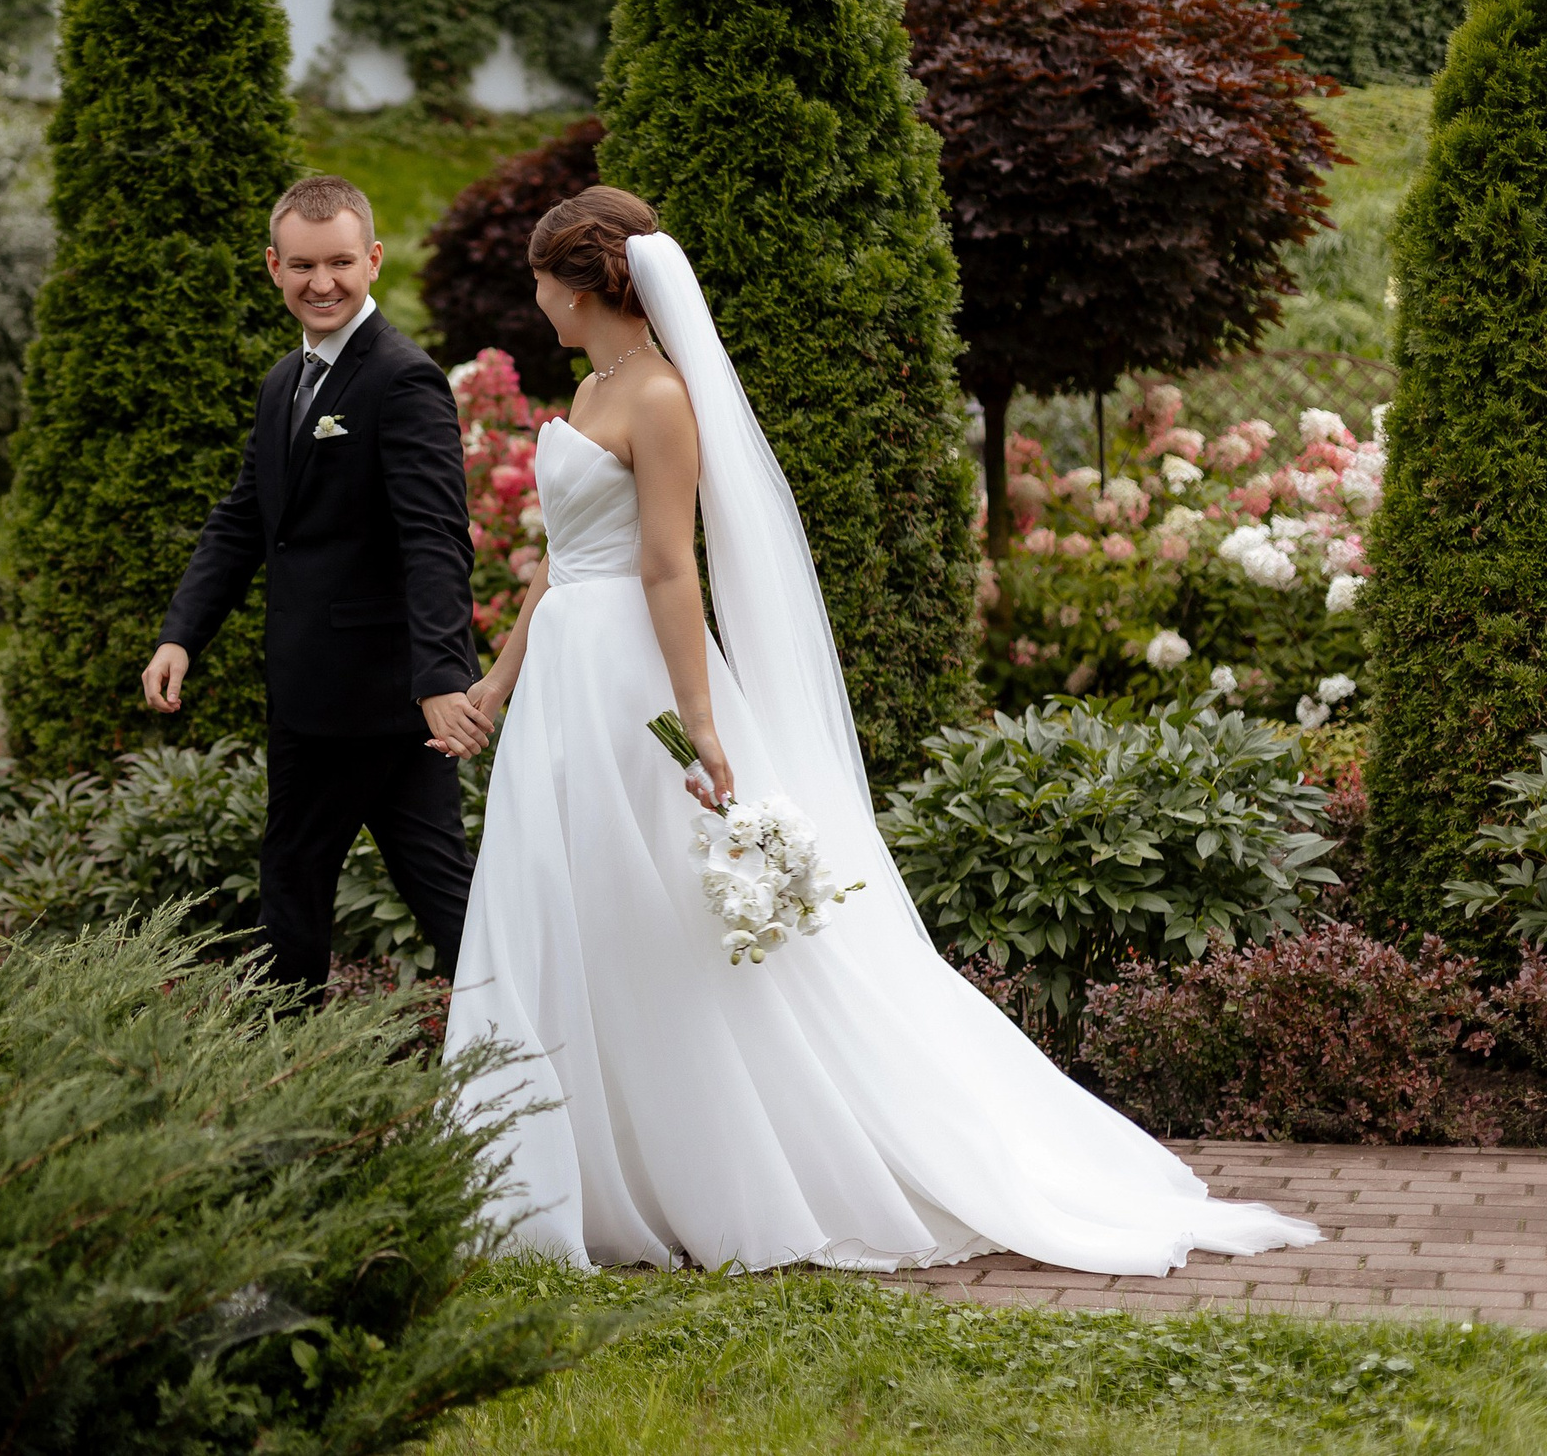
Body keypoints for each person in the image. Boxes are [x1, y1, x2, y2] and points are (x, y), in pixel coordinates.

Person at [441, 185, 1321, 1275]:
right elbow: (562, 562)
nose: (536, 302)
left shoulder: (660, 398)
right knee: (567, 899)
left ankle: (721, 1166)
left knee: (658, 911)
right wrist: (500, 677)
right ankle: (576, 1167)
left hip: (630, 680)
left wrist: (698, 723)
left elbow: (669, 566)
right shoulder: (593, 385)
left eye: (540, 283)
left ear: (579, 285)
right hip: (565, 673)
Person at [142, 176, 489, 999]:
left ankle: (531, 1048)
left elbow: (435, 537)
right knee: (356, 883)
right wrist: (181, 633)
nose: (321, 282)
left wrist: (442, 676)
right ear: (273, 266)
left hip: (382, 698)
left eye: (340, 261)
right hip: (310, 693)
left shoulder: (402, 379)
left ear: (372, 259)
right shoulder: (282, 382)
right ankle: (298, 1059)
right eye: (302, 265)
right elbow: (243, 518)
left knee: (369, 882)